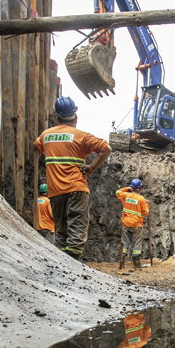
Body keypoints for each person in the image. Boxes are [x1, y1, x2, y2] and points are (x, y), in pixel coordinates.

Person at [33, 96, 112, 259]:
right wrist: (91, 168)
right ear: (76, 118)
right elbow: (106, 149)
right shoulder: (81, 136)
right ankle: (73, 266)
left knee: (61, 232)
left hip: (55, 192)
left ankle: (61, 266)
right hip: (77, 189)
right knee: (77, 229)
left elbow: (36, 147)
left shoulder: (45, 136)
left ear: (56, 117)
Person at [115, 178, 149, 269]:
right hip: (136, 225)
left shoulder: (125, 195)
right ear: (140, 188)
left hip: (126, 223)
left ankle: (122, 263)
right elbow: (145, 212)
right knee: (137, 243)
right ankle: (137, 264)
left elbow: (117, 192)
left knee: (125, 242)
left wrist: (127, 188)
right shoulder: (141, 199)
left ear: (131, 187)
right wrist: (147, 205)